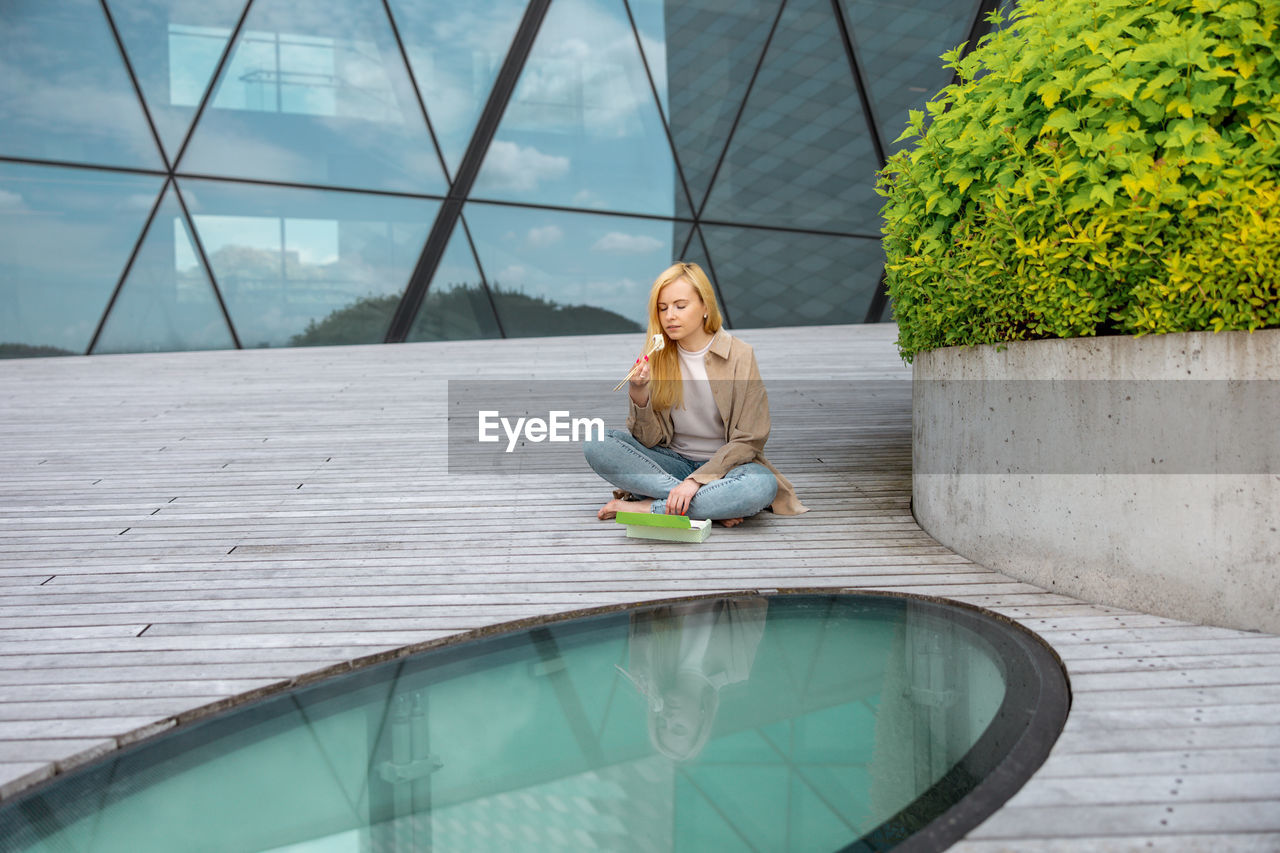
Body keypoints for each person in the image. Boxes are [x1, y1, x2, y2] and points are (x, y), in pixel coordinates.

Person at [584, 261, 807, 525]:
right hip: (672, 463)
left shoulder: (740, 355)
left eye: (680, 306)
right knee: (597, 441)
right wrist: (638, 392)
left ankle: (648, 508)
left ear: (705, 307)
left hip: (726, 469)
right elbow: (648, 440)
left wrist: (697, 481)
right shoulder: (658, 356)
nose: (670, 316)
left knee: (760, 485)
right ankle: (713, 504)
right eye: (663, 308)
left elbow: (750, 439)